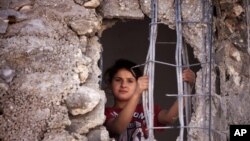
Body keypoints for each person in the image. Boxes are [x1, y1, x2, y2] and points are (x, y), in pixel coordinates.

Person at [103, 59, 195, 141]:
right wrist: (137, 93)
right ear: (110, 84)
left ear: (138, 84)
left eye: (130, 81)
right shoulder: (105, 113)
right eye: (118, 80)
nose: (123, 85)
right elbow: (118, 128)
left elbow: (169, 118)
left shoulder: (147, 110)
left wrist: (187, 88)